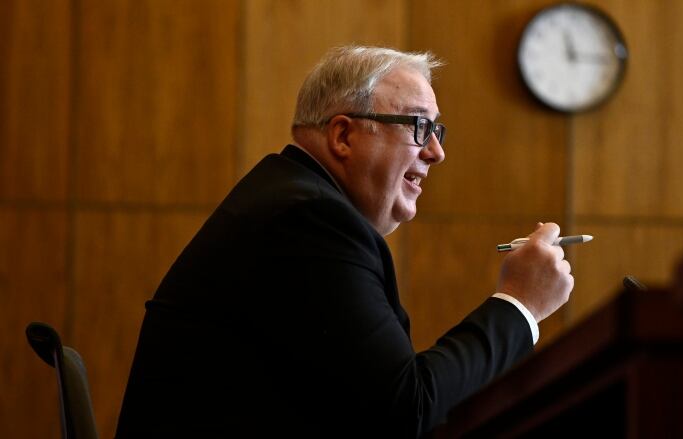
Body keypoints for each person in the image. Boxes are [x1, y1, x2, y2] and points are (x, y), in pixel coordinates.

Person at [115, 46, 573, 438]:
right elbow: (405, 410)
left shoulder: (295, 202)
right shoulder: (308, 220)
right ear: (343, 136)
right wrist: (520, 304)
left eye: (437, 131)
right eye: (419, 127)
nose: (436, 152)